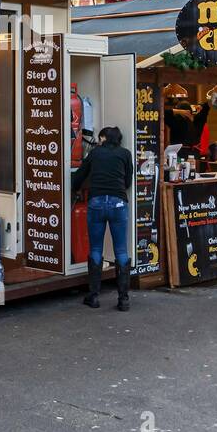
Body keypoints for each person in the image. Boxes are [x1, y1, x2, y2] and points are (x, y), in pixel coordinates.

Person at [71, 126, 134, 311]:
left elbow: (79, 177)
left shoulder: (95, 153)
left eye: (100, 138)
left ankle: (94, 296)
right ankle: (123, 300)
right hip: (118, 204)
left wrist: (77, 187)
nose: (98, 140)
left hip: (97, 202)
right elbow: (128, 182)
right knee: (121, 250)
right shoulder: (125, 154)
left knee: (96, 248)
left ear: (104, 138)